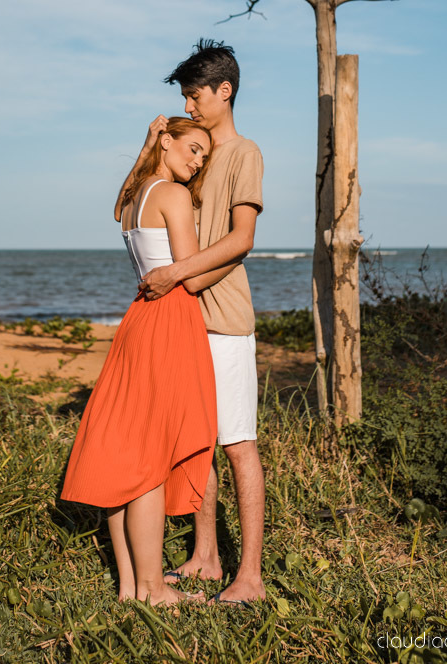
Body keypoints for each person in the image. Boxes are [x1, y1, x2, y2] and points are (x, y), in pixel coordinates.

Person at [114, 40, 266, 605]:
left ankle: (249, 576)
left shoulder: (242, 152)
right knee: (193, 444)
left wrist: (177, 273)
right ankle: (205, 558)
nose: (190, 103)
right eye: (184, 95)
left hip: (224, 319)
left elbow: (242, 239)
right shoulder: (191, 157)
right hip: (183, 321)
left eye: (195, 93)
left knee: (237, 443)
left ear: (224, 91)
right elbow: (136, 205)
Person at [61, 117, 224, 606]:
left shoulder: (135, 196)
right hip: (172, 320)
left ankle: (131, 587)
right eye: (192, 149)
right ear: (167, 140)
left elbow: (117, 207)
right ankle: (154, 590)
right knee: (150, 456)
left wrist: (145, 148)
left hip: (137, 321)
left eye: (203, 157)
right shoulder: (172, 196)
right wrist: (235, 253)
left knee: (127, 447)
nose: (196, 163)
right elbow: (192, 278)